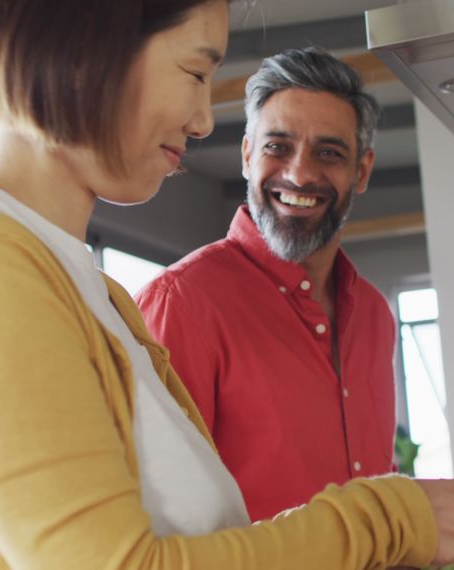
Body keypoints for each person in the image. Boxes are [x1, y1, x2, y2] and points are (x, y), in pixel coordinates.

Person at [0, 0, 454, 568]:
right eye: (196, 72)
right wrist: (388, 519)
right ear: (90, 47)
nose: (201, 120)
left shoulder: (95, 296)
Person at [136, 47, 400, 522]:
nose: (299, 173)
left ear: (361, 170)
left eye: (329, 153)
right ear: (246, 156)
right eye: (277, 146)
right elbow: (158, 522)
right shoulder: (181, 305)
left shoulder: (376, 315)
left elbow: (375, 480)